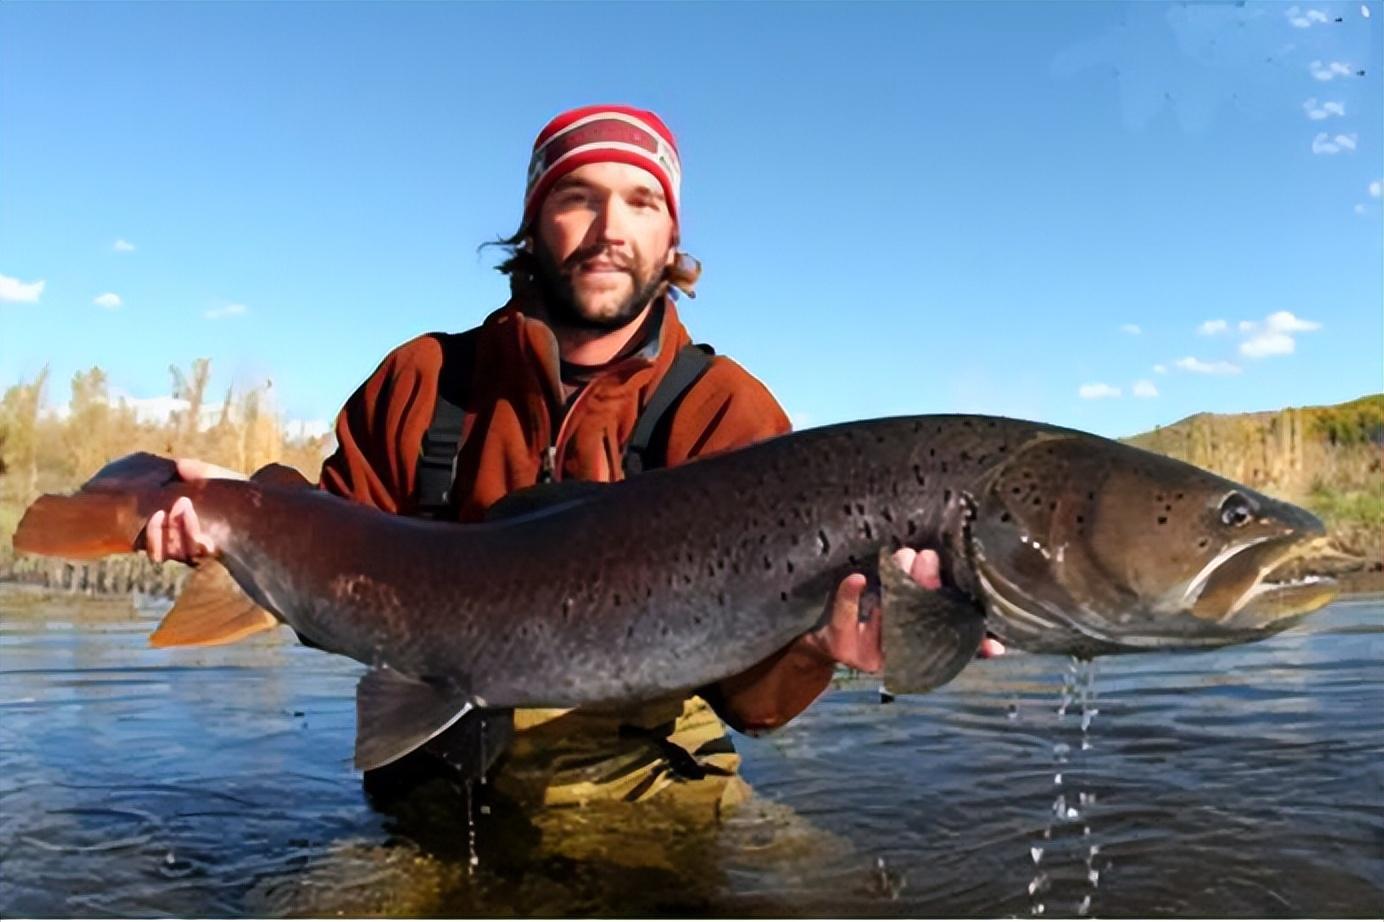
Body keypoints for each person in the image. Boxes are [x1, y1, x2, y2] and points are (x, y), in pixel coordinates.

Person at [142, 104, 1003, 818]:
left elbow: (755, 709)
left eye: (640, 202)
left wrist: (824, 646)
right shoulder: (424, 381)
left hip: (652, 788)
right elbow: (330, 555)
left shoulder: (727, 412)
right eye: (578, 198)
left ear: (672, 238)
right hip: (430, 789)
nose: (609, 230)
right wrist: (243, 512)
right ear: (532, 221)